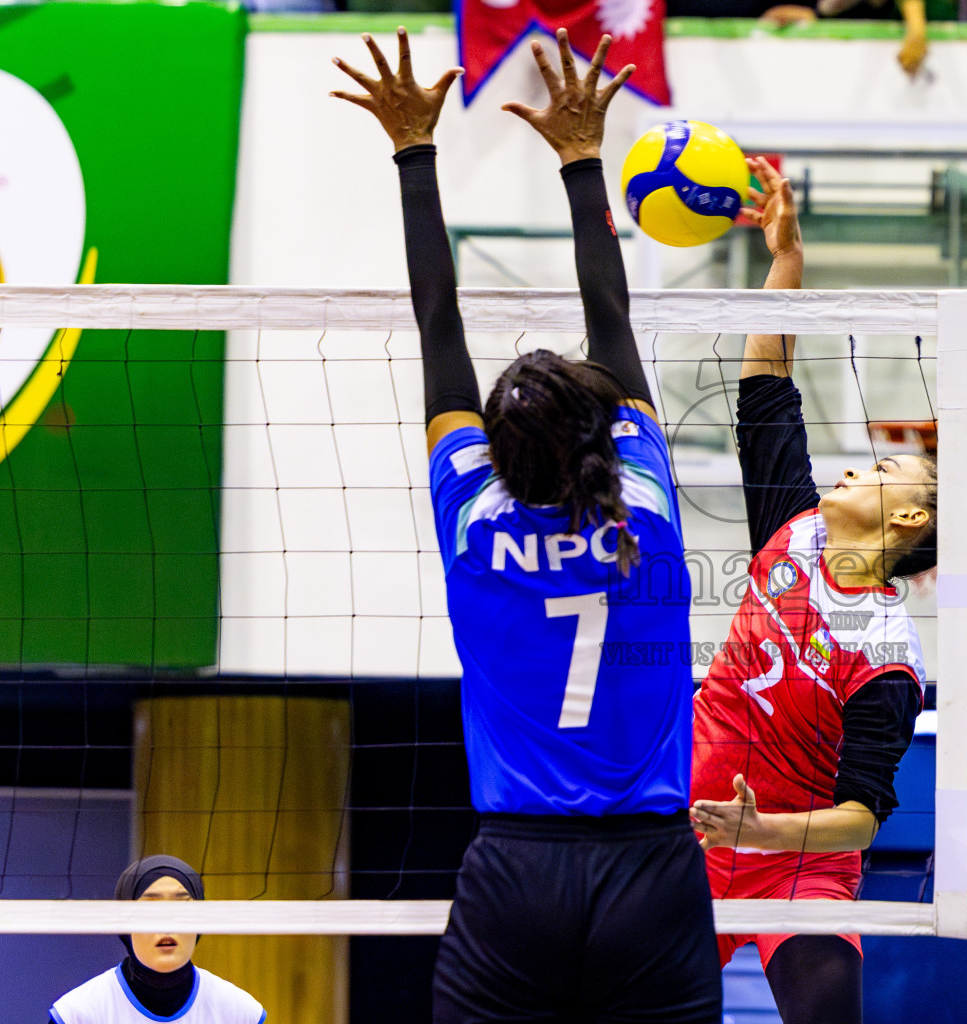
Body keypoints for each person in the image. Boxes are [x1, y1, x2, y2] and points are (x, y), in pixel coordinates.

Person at [332, 27, 721, 1024]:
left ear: (498, 449)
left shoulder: (473, 514)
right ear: (605, 429)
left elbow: (436, 323)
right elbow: (614, 320)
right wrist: (584, 156)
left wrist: (414, 152)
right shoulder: (647, 508)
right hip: (652, 866)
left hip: (517, 869)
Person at [688, 157, 967, 1024]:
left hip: (793, 852)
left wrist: (759, 832)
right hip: (690, 825)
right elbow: (766, 393)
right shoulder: (790, 529)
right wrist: (786, 262)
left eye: (878, 467)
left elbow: (862, 819)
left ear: (907, 518)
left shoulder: (886, 661)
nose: (852, 466)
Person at [48, 855, 265, 1024]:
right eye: (151, 908)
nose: (167, 923)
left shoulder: (241, 1013)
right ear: (124, 922)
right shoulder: (77, 1014)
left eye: (181, 907)